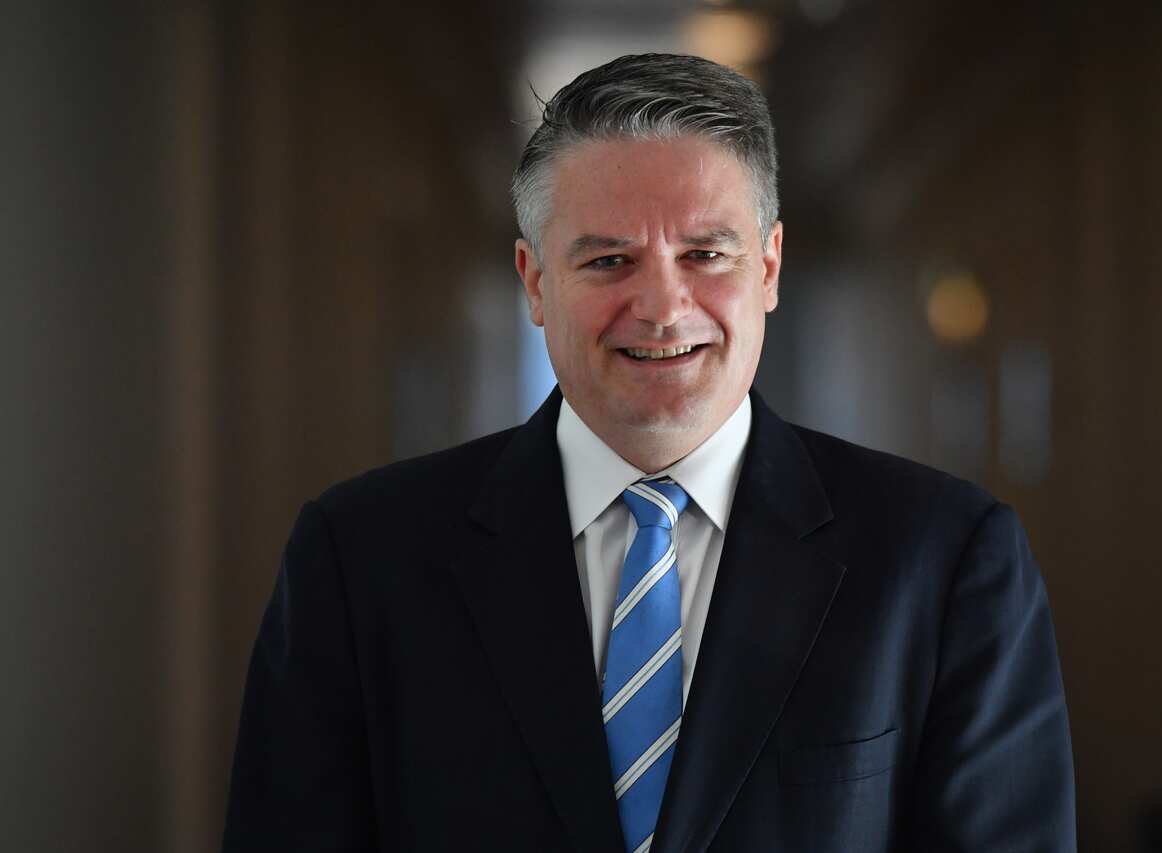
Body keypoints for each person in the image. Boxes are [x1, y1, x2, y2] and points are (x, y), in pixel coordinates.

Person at [222, 53, 1075, 852]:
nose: (664, 307)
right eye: (608, 260)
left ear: (769, 267)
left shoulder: (946, 560)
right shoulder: (360, 558)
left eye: (706, 254)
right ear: (533, 282)